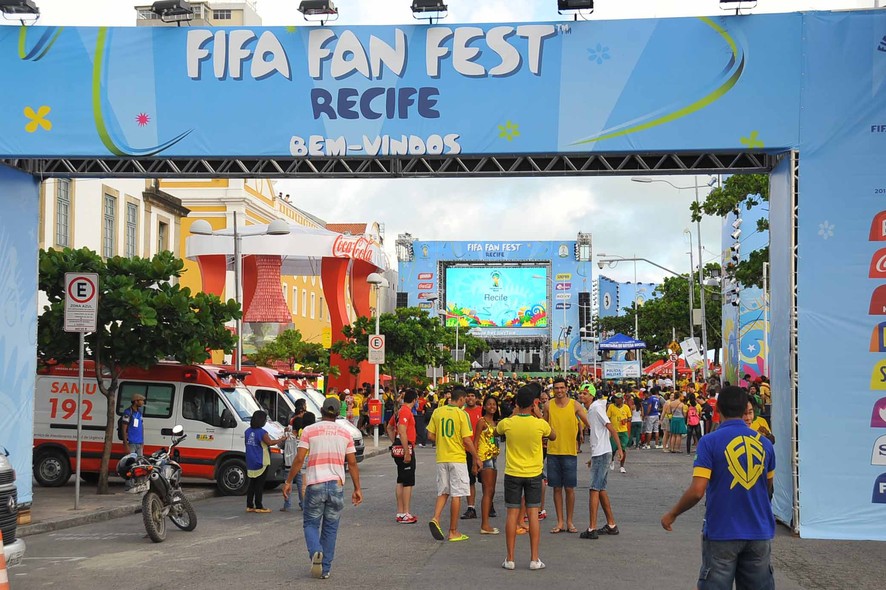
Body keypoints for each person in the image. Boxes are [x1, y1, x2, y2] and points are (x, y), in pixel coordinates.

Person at [661, 386, 776, 590]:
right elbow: (768, 489)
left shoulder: (709, 442)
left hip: (722, 531)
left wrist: (672, 513)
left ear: (718, 409)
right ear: (744, 410)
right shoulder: (765, 444)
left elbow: (697, 491)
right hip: (759, 531)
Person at [283, 397, 363, 580]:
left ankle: (316, 552)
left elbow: (299, 458)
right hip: (336, 485)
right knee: (330, 527)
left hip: (315, 484)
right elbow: (352, 463)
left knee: (310, 523)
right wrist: (357, 488)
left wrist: (288, 481)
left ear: (321, 410)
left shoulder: (309, 431)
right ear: (338, 413)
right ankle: (325, 568)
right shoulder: (345, 433)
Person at [496, 383, 556, 571]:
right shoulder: (540, 424)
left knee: (512, 515)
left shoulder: (508, 423)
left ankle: (510, 558)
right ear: (534, 404)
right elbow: (553, 435)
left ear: (516, 404)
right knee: (533, 514)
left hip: (513, 473)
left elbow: (498, 430)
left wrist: (514, 413)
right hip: (533, 474)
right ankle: (534, 558)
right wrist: (538, 413)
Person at [427, 387, 481, 542]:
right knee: (456, 494)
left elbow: (430, 435)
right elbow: (467, 440)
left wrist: (443, 440)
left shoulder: (438, 412)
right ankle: (453, 531)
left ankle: (436, 518)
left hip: (441, 458)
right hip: (457, 458)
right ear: (462, 399)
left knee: (443, 491)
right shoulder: (462, 414)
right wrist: (476, 457)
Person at [544, 377, 591, 534]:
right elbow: (543, 427)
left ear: (566, 388)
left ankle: (570, 521)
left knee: (569, 488)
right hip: (552, 452)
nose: (559, 391)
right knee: (556, 488)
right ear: (553, 390)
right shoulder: (548, 405)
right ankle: (560, 522)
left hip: (570, 452)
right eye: (556, 388)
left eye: (562, 388)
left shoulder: (575, 405)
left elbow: (589, 423)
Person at [580, 391, 624, 539]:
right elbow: (599, 434)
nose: (582, 396)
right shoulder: (595, 408)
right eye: (580, 393)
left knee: (594, 489)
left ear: (592, 396)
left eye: (585, 393)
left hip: (602, 453)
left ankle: (592, 528)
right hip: (601, 453)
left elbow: (611, 427)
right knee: (601, 489)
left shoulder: (595, 408)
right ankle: (611, 524)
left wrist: (619, 448)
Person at [245, 410, 286, 514]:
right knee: (259, 485)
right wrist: (281, 439)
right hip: (261, 461)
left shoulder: (247, 431)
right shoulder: (262, 433)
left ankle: (249, 505)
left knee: (252, 484)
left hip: (250, 460)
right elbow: (269, 442)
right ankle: (259, 506)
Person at [474, 394, 501, 535]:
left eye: (494, 404)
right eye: (489, 404)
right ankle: (485, 525)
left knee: (491, 491)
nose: (492, 407)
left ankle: (485, 523)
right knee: (488, 491)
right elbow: (476, 441)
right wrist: (475, 460)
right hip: (485, 458)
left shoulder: (496, 423)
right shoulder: (482, 422)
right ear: (484, 406)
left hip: (494, 458)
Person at [394, 389, 418, 524]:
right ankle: (405, 512)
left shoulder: (400, 411)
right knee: (407, 482)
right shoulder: (405, 411)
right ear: (414, 400)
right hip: (406, 447)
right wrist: (406, 451)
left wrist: (394, 442)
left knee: (401, 480)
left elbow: (391, 428)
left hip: (402, 446)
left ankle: (401, 512)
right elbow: (402, 431)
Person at [461, 388, 484, 520]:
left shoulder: (482, 411)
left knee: (486, 480)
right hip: (467, 451)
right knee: (470, 480)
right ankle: (471, 508)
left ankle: (489, 505)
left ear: (476, 398)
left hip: (483, 450)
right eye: (467, 396)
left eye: (472, 396)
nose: (470, 398)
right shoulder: (461, 413)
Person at [606, 393, 631, 473]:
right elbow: (608, 418)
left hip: (623, 431)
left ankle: (622, 466)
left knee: (623, 449)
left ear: (622, 399)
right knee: (613, 449)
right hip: (614, 431)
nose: (616, 400)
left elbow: (630, 417)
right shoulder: (611, 407)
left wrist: (626, 420)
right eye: (615, 398)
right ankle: (612, 460)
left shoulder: (626, 407)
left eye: (618, 398)